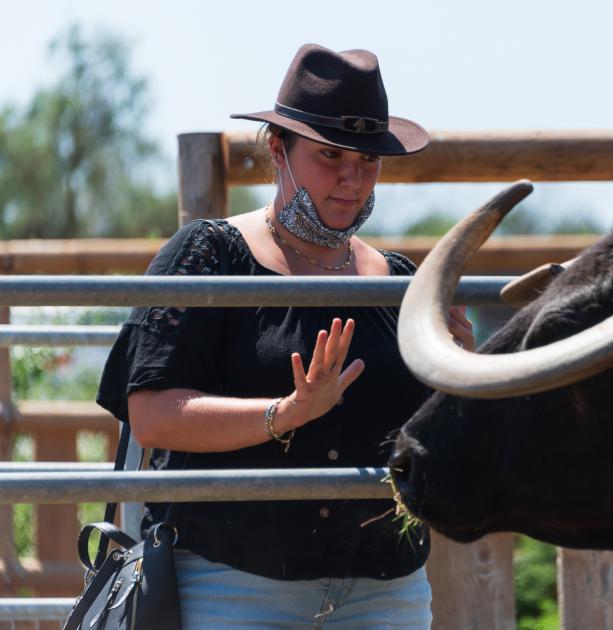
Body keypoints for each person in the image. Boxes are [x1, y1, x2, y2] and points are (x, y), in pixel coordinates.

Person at [96, 43, 474, 629]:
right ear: (279, 148)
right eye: (330, 156)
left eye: (369, 161)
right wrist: (287, 412)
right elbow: (151, 415)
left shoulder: (403, 281)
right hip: (231, 586)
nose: (352, 180)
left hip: (387, 590)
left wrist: (456, 377)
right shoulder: (207, 255)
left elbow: (425, 445)